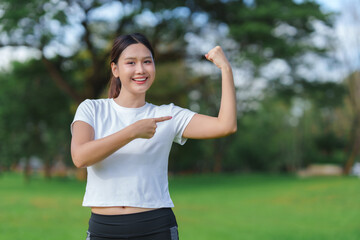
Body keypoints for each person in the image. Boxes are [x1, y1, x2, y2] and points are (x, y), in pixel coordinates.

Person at [70, 33, 237, 240]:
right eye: (131, 62)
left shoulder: (168, 115)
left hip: (155, 228)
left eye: (147, 62)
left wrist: (226, 69)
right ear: (115, 69)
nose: (140, 69)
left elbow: (226, 125)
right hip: (103, 229)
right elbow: (80, 157)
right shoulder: (91, 109)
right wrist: (132, 132)